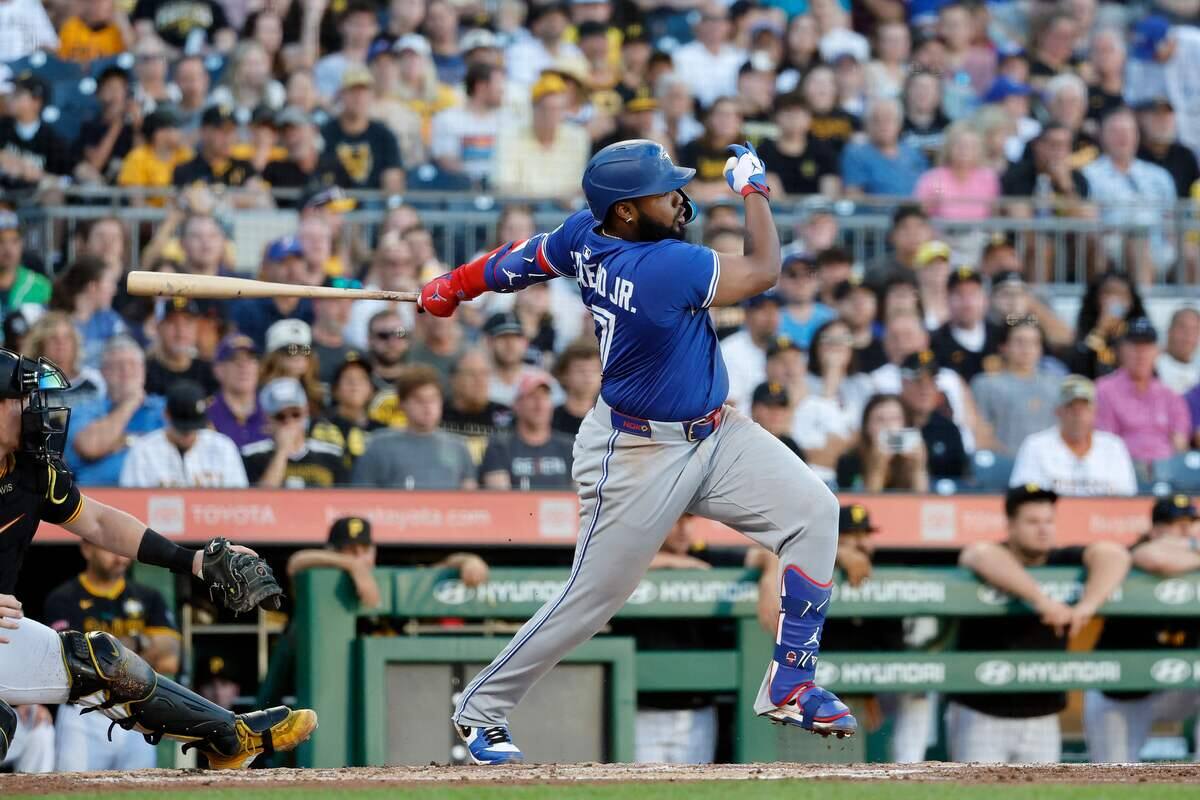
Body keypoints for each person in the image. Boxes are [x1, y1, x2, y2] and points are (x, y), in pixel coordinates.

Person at [418, 138, 853, 763]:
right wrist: (756, 191)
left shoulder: (585, 235)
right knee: (594, 597)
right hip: (635, 451)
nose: (681, 200)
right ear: (624, 211)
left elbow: (519, 260)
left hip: (716, 432)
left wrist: (454, 286)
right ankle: (480, 710)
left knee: (816, 511)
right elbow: (763, 270)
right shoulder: (661, 267)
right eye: (664, 192)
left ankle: (792, 681)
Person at [0, 348, 316, 770]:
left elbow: (97, 522)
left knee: (99, 661)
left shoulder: (31, 470)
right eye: (22, 399)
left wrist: (192, 561)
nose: (36, 410)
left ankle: (228, 737)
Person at [946, 485, 1131, 764]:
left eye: (1048, 521)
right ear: (1010, 525)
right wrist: (1042, 601)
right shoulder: (992, 555)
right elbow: (980, 553)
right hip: (982, 711)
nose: (1043, 529)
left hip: (1043, 714)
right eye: (1032, 522)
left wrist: (1087, 606)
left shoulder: (1062, 559)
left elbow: (1114, 554)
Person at [1084, 494, 1200, 763]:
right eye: (1175, 523)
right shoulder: (1139, 551)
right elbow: (1155, 557)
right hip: (1122, 686)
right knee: (1114, 775)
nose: (1184, 529)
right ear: (1156, 529)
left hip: (1177, 685)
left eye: (1190, 522)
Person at [45, 540, 178, 772]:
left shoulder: (149, 597)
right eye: (110, 548)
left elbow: (170, 658)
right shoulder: (63, 598)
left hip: (135, 709)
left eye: (123, 550)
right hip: (83, 713)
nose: (120, 558)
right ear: (87, 549)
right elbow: (70, 662)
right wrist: (139, 644)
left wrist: (107, 649)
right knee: (73, 791)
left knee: (139, 792)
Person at [287, 516, 490, 610]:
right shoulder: (318, 576)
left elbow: (438, 569)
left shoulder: (389, 576)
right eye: (350, 550)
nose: (359, 557)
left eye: (365, 550)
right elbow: (296, 562)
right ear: (332, 551)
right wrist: (352, 566)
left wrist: (470, 560)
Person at [1009, 375, 1138, 496]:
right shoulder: (1035, 445)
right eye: (1071, 407)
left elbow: (1126, 496)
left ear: (1094, 412)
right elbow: (1024, 497)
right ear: (1058, 411)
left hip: (1101, 518)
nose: (1078, 415)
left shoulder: (1113, 446)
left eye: (1084, 408)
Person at [351, 365, 476, 490]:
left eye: (433, 399)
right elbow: (361, 497)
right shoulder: (378, 445)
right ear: (402, 404)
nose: (428, 407)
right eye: (419, 400)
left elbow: (470, 500)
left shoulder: (459, 448)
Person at [66, 338, 166, 487]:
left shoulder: (163, 408)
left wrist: (117, 442)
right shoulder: (85, 410)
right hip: (101, 499)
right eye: (117, 366)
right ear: (103, 373)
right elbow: (90, 446)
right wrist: (130, 402)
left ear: (143, 371)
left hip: (158, 496)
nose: (126, 371)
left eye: (132, 365)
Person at [1095, 317, 1191, 467]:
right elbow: (1105, 443)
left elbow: (1180, 444)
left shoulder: (1170, 395)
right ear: (1121, 350)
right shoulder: (1104, 390)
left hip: (1166, 473)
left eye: (1147, 346)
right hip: (1122, 470)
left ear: (1156, 351)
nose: (1141, 353)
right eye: (1134, 345)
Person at [120, 381, 247, 488]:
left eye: (193, 427)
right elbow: (130, 507)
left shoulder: (223, 448)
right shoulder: (143, 451)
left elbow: (239, 502)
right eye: (182, 429)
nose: (187, 434)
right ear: (166, 415)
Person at [970, 320, 1062, 456]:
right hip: (1002, 465)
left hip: (1049, 464)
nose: (1027, 348)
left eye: (1034, 342)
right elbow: (979, 432)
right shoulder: (985, 384)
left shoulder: (1057, 385)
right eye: (1019, 342)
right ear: (1003, 347)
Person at [493, 73, 589, 201]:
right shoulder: (509, 136)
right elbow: (505, 186)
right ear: (533, 108)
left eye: (557, 109)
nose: (551, 116)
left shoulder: (578, 138)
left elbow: (577, 187)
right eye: (545, 109)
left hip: (564, 209)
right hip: (523, 208)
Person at [240, 377, 345, 488]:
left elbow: (346, 501)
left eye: (296, 414)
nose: (289, 421)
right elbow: (259, 502)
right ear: (268, 419)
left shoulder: (332, 456)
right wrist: (282, 452)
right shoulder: (252, 456)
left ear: (306, 413)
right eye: (280, 416)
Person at [481, 371, 575, 490]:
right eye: (532, 397)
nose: (539, 404)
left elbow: (581, 497)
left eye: (545, 396)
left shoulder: (570, 447)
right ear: (517, 405)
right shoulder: (499, 446)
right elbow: (500, 499)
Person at [229, 237, 314, 351]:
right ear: (267, 268)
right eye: (283, 262)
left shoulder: (313, 306)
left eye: (297, 261)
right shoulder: (249, 308)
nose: (292, 269)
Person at [898, 350, 968, 481]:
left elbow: (961, 480)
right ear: (903, 383)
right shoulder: (889, 420)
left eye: (932, 381)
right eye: (918, 380)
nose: (925, 388)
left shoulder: (948, 429)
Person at [430, 62, 504, 185]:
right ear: (481, 87)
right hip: (461, 191)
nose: (502, 91)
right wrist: (474, 183)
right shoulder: (447, 119)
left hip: (501, 190)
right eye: (498, 86)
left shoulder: (507, 121)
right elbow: (446, 160)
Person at [49, 256, 126, 371]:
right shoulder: (55, 323)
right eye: (110, 283)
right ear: (92, 287)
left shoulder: (110, 320)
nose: (114, 290)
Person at [840, 98, 928, 198]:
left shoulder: (913, 153)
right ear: (867, 124)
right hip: (875, 213)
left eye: (888, 119)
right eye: (876, 120)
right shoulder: (856, 153)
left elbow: (926, 190)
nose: (883, 125)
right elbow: (854, 196)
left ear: (899, 123)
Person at [930, 267, 1003, 383]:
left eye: (973, 294)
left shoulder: (1000, 335)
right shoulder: (935, 342)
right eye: (959, 295)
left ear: (984, 299)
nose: (967, 302)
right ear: (947, 300)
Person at [1070, 272, 1148, 380]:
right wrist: (1100, 330)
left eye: (1121, 294)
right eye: (1108, 293)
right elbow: (1079, 368)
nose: (1114, 300)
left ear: (1131, 301)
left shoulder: (1140, 330)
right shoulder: (1086, 329)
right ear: (1096, 298)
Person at [172, 105, 257, 189]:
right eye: (222, 130)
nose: (228, 137)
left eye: (232, 130)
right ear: (204, 132)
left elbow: (259, 196)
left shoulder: (244, 167)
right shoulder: (185, 171)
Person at [144, 298, 216, 397]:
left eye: (187, 323)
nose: (181, 332)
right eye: (172, 323)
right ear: (159, 328)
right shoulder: (145, 372)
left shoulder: (209, 372)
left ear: (196, 328)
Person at [206, 334, 267, 449]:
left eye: (251, 358)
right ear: (218, 370)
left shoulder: (274, 410)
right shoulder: (207, 414)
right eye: (234, 359)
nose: (243, 366)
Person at [776, 254, 835, 350]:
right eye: (792, 274)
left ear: (818, 281)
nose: (801, 281)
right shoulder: (771, 320)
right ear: (780, 281)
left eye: (809, 274)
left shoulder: (831, 318)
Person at [0, 210, 50, 318]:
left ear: (22, 244)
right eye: (1, 241)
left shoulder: (40, 286)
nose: (8, 249)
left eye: (14, 241)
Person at [551, 340, 601, 436]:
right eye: (580, 370)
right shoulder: (548, 418)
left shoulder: (610, 421)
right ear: (563, 375)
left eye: (595, 370)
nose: (588, 376)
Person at [1155, 307, 1200, 395]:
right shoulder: (1151, 367)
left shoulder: (1197, 372)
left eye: (1194, 329)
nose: (1188, 334)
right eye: (1182, 327)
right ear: (1169, 330)